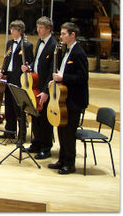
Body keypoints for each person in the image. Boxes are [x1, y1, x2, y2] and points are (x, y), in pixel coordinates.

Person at [48, 22, 89, 175]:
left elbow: (83, 77)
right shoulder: (66, 50)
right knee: (61, 129)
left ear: (73, 35)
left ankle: (70, 164)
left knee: (69, 133)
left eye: (64, 34)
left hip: (74, 100)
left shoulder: (79, 52)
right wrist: (57, 80)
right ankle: (62, 159)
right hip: (64, 98)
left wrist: (63, 77)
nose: (61, 36)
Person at [23, 17, 57, 160]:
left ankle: (45, 147)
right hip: (35, 84)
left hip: (44, 87)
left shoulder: (53, 44)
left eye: (41, 27)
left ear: (48, 29)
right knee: (35, 115)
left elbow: (51, 70)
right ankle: (36, 143)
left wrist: (45, 91)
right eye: (37, 27)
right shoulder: (39, 41)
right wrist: (29, 67)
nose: (38, 30)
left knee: (44, 119)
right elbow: (36, 61)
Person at [0, 20, 34, 140]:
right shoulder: (9, 43)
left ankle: (22, 135)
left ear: (20, 31)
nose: (11, 31)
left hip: (19, 78)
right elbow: (7, 59)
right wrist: (2, 71)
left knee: (19, 108)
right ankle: (9, 131)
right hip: (9, 76)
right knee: (9, 106)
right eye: (11, 29)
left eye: (13, 29)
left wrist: (27, 68)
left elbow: (31, 62)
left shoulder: (27, 45)